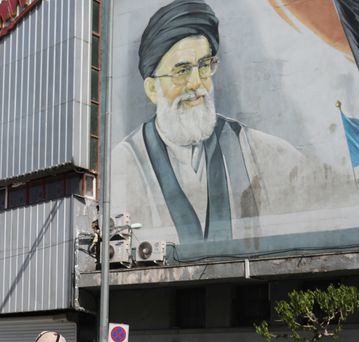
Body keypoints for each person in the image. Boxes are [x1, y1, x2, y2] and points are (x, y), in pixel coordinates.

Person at [110, 0, 311, 243]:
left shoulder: (259, 151)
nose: (197, 83)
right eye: (182, 70)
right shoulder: (123, 165)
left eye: (204, 66)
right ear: (152, 89)